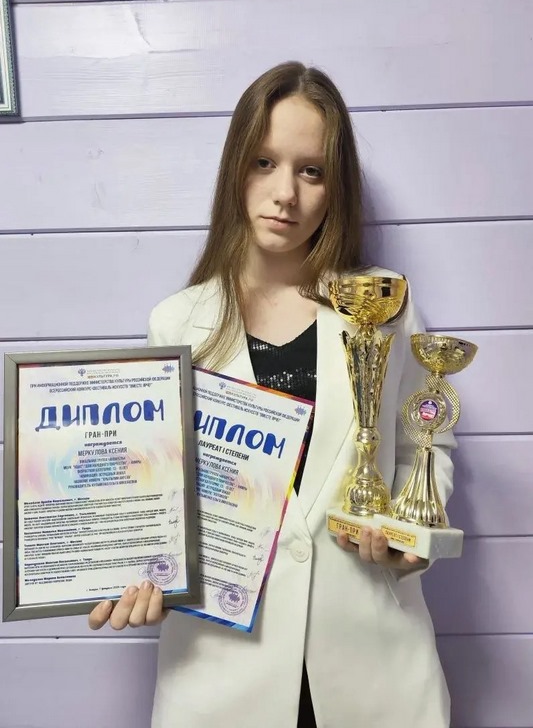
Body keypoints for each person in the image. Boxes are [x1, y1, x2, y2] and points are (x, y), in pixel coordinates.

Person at [89, 61, 455, 728]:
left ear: (335, 186)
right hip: (222, 674)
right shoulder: (175, 324)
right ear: (236, 167)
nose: (285, 193)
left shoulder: (385, 306)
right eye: (264, 163)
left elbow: (423, 448)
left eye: (311, 171)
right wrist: (131, 572)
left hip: (372, 664)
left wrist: (411, 536)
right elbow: (149, 493)